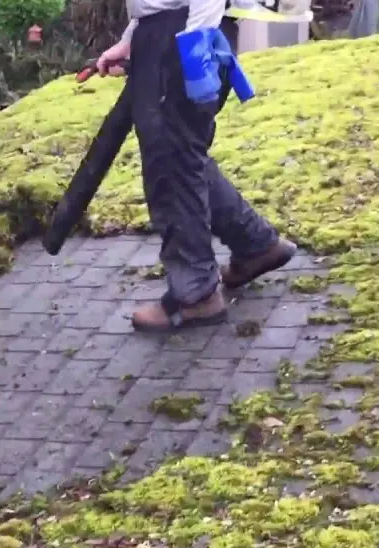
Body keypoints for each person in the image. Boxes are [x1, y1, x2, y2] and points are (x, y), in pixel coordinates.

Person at [94, 0, 297, 333]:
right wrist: (134, 36)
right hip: (170, 33)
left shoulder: (189, 41)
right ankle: (256, 244)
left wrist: (192, 50)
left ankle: (196, 294)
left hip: (185, 37)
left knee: (171, 167)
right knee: (182, 157)